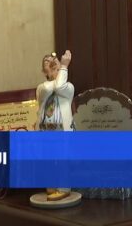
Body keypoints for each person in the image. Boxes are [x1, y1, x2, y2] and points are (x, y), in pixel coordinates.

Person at [36, 50, 75, 201]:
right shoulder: (41, 87)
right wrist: (55, 73)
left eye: (53, 61)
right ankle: (52, 185)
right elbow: (48, 89)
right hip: (46, 130)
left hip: (62, 130)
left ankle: (64, 188)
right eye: (46, 62)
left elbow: (59, 87)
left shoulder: (68, 87)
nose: (50, 62)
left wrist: (63, 67)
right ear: (43, 71)